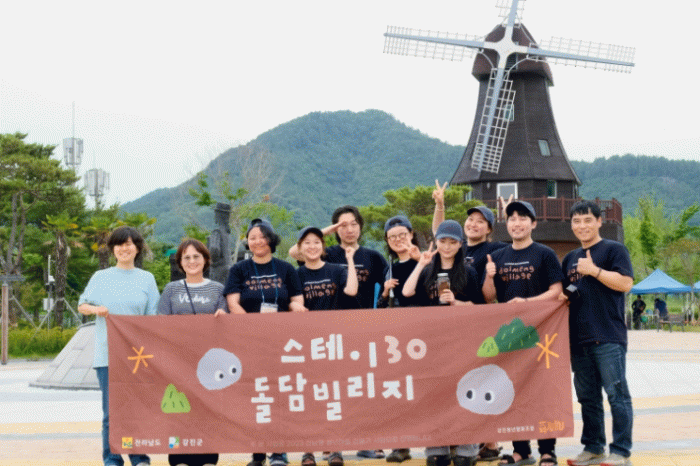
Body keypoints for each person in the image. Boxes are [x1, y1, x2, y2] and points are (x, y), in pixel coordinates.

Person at [289, 206, 389, 460]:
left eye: (353, 224)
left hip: (361, 328)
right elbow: (295, 251)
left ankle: (366, 440)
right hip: (325, 333)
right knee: (326, 389)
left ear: (361, 226)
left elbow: (388, 284)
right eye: (343, 225)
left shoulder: (373, 256)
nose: (349, 229)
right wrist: (324, 232)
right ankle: (328, 441)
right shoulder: (328, 252)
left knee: (360, 388)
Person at [482, 201, 563, 466]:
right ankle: (521, 450)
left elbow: (556, 291)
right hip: (510, 335)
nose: (516, 223)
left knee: (542, 391)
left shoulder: (545, 254)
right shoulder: (499, 256)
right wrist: (489, 276)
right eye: (512, 218)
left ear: (533, 223)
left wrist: (527, 303)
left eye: (522, 218)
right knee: (513, 389)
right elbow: (489, 298)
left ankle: (547, 450)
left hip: (542, 332)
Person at [432, 181, 506, 462]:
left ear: (489, 228)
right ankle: (457, 440)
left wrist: (508, 215)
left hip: (477, 326)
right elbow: (440, 232)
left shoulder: (493, 249)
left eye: (481, 221)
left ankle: (490, 442)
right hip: (447, 331)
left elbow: (486, 297)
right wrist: (440, 205)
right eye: (470, 219)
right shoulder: (452, 249)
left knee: (481, 381)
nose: (473, 224)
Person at [224, 218, 305, 466]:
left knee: (278, 396)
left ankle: (278, 452)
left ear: (271, 239)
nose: (257, 241)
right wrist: (254, 328)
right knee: (255, 396)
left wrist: (295, 307)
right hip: (249, 342)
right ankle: (257, 452)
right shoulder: (239, 270)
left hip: (281, 342)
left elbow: (297, 300)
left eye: (262, 236)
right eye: (252, 238)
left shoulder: (286, 269)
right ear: (247, 242)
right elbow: (233, 304)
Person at [78, 226, 159, 466]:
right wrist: (96, 309)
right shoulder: (100, 277)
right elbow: (82, 305)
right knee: (111, 413)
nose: (124, 248)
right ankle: (112, 458)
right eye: (119, 244)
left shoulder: (147, 279)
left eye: (129, 244)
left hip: (138, 356)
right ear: (113, 249)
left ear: (138, 248)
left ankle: (139, 457)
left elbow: (153, 317)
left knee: (137, 409)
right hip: (108, 356)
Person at [561, 200, 634, 466]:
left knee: (617, 395)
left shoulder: (614, 250)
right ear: (571, 225)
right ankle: (593, 447)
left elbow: (625, 283)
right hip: (578, 340)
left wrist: (595, 271)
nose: (582, 226)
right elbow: (565, 294)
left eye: (587, 220)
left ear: (599, 222)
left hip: (608, 336)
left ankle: (621, 451)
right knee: (588, 398)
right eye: (577, 221)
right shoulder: (569, 259)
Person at [403, 220, 481, 466]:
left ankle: (467, 447)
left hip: (461, 341)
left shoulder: (468, 271)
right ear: (436, 243)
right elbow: (406, 292)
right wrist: (421, 264)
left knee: (466, 391)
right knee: (435, 394)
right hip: (432, 342)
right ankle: (437, 447)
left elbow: (478, 306)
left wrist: (456, 302)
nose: (447, 246)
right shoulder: (427, 270)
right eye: (443, 241)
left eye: (452, 242)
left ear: (460, 245)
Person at [159, 238, 227, 466]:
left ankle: (208, 456)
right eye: (186, 257)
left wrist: (223, 317)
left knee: (207, 408)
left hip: (209, 362)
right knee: (179, 407)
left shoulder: (218, 289)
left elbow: (226, 324)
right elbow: (160, 323)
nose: (192, 261)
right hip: (178, 360)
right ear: (180, 262)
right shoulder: (171, 289)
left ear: (205, 260)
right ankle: (178, 456)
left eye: (196, 256)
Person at [295, 226, 358, 466]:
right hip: (306, 342)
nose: (312, 246)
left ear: (323, 247)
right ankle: (308, 449)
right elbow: (292, 301)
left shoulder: (336, 269)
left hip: (334, 342)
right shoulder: (296, 274)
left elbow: (351, 290)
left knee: (334, 395)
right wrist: (293, 306)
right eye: (307, 242)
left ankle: (334, 447)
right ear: (300, 248)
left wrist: (350, 260)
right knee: (309, 396)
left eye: (317, 242)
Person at [377, 215, 421, 463]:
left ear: (411, 234)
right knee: (399, 391)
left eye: (402, 235)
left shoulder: (424, 261)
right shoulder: (390, 267)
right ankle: (400, 445)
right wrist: (385, 291)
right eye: (392, 237)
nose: (397, 240)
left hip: (422, 334)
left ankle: (440, 444)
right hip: (396, 338)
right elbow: (381, 307)